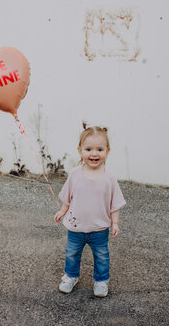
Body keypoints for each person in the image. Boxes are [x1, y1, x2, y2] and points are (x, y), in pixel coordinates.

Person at [54, 122, 126, 297]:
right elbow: (68, 196)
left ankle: (101, 281)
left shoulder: (110, 178)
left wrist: (115, 223)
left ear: (107, 152)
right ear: (80, 150)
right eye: (88, 149)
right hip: (76, 227)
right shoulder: (74, 174)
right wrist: (63, 211)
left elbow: (115, 203)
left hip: (100, 229)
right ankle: (71, 276)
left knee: (102, 257)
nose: (94, 153)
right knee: (72, 254)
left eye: (99, 150)